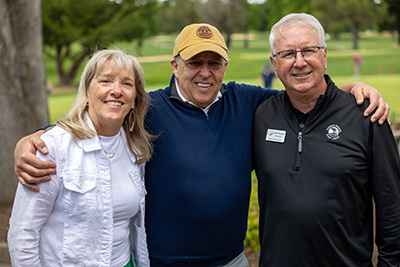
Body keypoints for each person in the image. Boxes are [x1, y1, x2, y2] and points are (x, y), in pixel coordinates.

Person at [13, 23, 390, 266]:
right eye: (195, 62)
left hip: (231, 260)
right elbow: (98, 118)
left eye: (214, 62)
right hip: (164, 262)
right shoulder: (149, 107)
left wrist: (351, 90)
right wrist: (37, 138)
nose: (205, 72)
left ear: (225, 67)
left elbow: (302, 90)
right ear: (176, 65)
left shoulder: (248, 102)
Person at [252, 13, 400, 266]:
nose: (299, 62)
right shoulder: (261, 114)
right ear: (274, 64)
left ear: (324, 55)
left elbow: (392, 204)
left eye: (308, 50)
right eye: (288, 54)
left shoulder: (366, 116)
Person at [8, 50, 152, 266]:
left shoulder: (135, 149)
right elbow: (23, 233)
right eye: (105, 80)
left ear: (134, 100)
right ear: (86, 93)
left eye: (127, 84)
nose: (116, 90)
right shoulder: (52, 148)